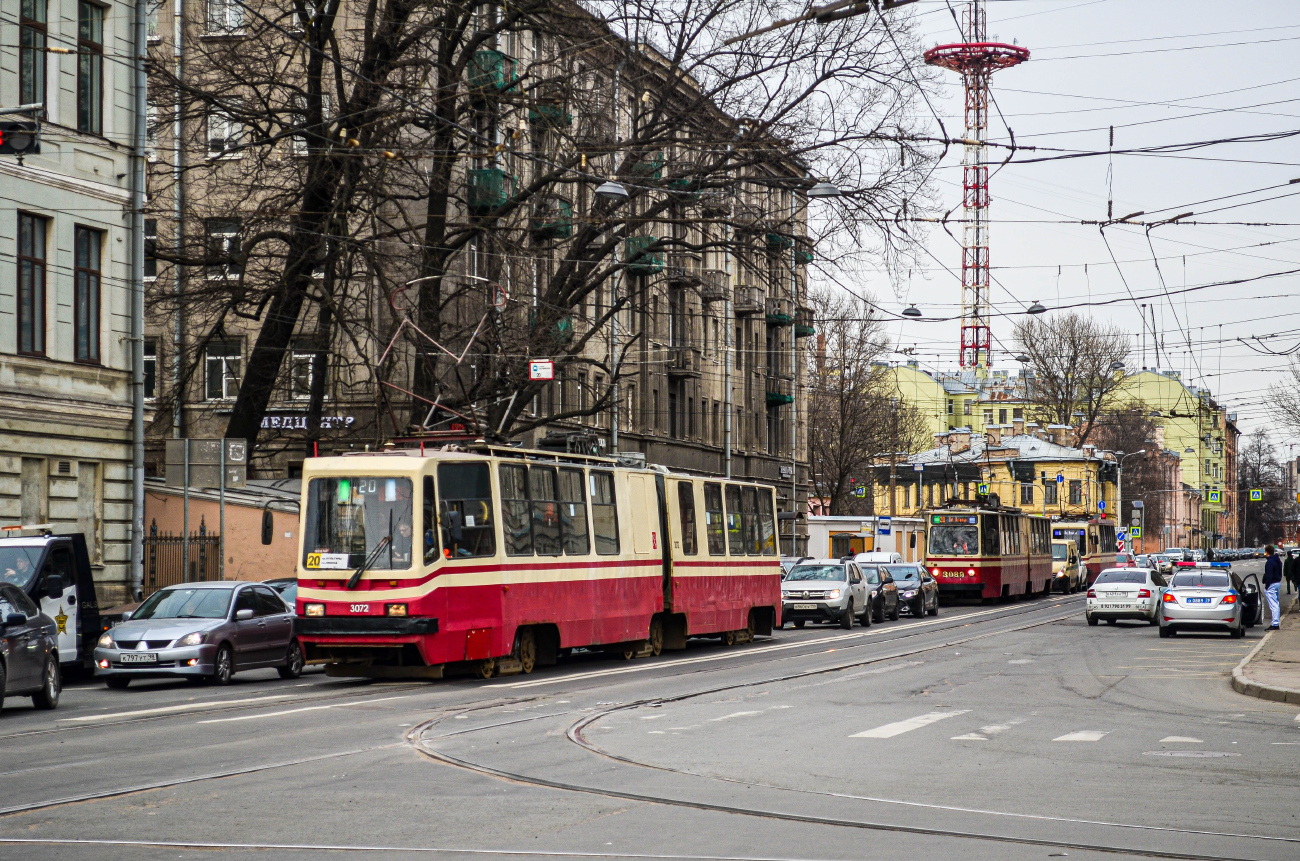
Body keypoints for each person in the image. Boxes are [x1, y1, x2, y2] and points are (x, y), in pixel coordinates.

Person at [1263, 544, 1283, 630]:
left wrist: (1267, 586)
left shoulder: (1269, 562)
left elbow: (1269, 575)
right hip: (1277, 582)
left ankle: (1275, 624)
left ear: (1267, 552)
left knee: (1273, 604)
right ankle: (1275, 622)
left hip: (1272, 584)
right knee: (1276, 603)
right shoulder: (1278, 561)